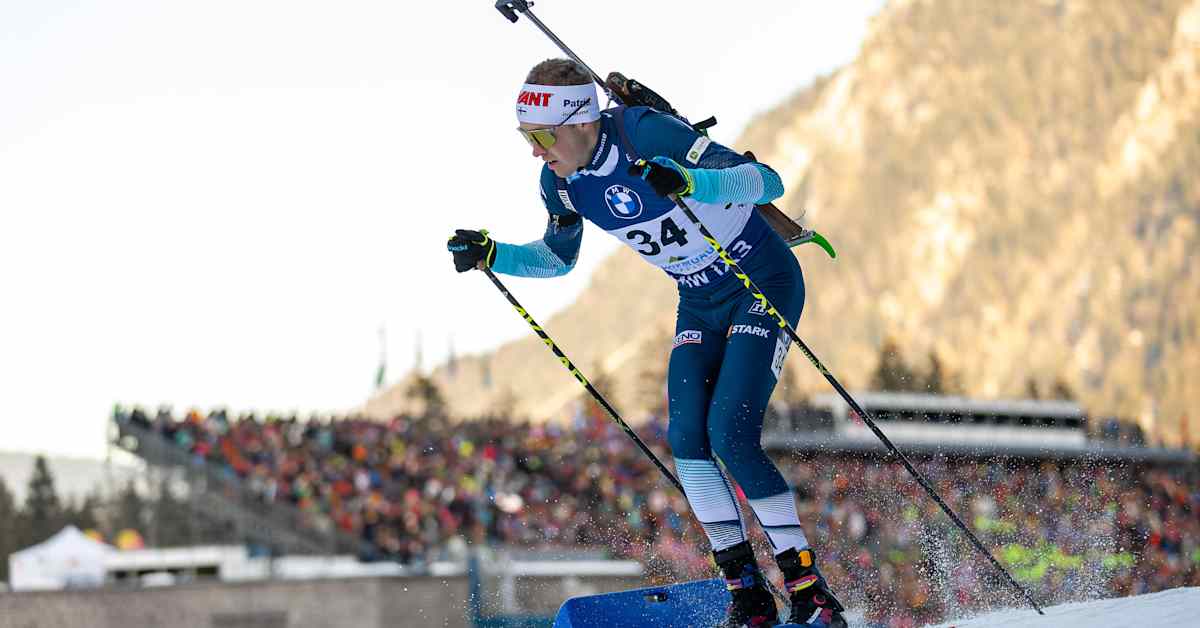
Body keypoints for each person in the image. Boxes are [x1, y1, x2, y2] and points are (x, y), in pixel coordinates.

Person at [447, 58, 845, 628]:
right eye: (526, 136)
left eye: (542, 136)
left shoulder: (645, 133)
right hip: (698, 299)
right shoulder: (559, 182)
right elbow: (558, 258)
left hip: (759, 279)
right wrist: (494, 255)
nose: (534, 150)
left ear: (581, 121)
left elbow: (767, 182)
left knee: (729, 434)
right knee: (686, 441)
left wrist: (693, 181)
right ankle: (748, 594)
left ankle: (808, 591)